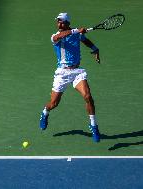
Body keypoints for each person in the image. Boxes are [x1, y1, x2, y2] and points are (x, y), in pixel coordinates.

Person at [39, 13, 101, 142]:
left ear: (67, 23)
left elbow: (86, 41)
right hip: (62, 74)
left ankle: (93, 125)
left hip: (77, 72)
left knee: (88, 96)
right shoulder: (55, 37)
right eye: (58, 22)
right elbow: (60, 36)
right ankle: (45, 113)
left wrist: (95, 49)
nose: (59, 24)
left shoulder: (77, 34)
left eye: (61, 22)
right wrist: (76, 30)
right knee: (54, 104)